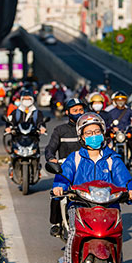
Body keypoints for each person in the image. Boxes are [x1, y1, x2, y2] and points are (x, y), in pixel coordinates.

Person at [52, 112, 132, 263]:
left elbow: (123, 178)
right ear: (82, 137)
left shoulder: (112, 158)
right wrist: (59, 187)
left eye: (97, 131)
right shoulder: (74, 158)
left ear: (103, 133)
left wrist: (130, 190)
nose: (93, 136)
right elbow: (63, 176)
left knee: (116, 235)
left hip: (108, 206)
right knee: (74, 233)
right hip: (80, 205)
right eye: (89, 133)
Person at [44, 98, 85, 236]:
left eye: (81, 110)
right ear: (67, 112)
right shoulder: (60, 130)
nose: (78, 113)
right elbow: (50, 148)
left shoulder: (89, 130)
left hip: (86, 170)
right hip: (65, 170)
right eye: (75, 110)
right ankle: (56, 223)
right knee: (57, 194)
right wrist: (51, 158)